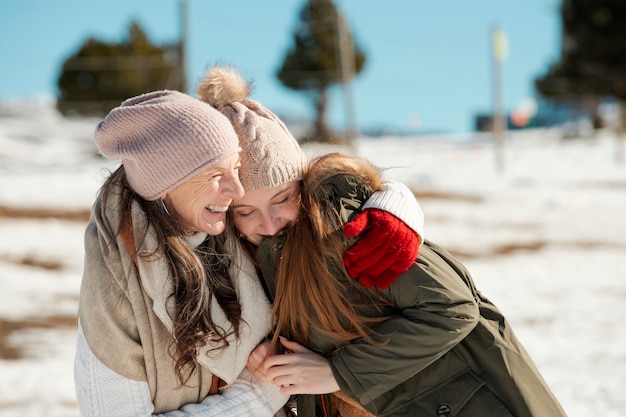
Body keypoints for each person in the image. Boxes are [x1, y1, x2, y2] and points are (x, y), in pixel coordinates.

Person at [75, 84, 422, 415]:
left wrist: (394, 203)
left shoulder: (229, 229)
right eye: (215, 174)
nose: (235, 189)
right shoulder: (116, 280)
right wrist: (265, 389)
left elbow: (297, 181)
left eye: (234, 170)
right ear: (166, 183)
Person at [245, 152, 569, 417]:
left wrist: (339, 372)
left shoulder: (354, 233)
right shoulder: (265, 258)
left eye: (282, 198)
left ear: (303, 188)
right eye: (245, 211)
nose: (269, 224)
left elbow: (451, 308)